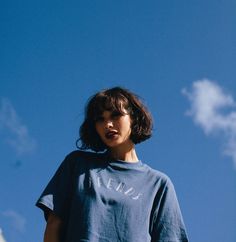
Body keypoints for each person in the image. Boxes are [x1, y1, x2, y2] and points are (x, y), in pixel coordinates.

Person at [36, 87, 189, 242]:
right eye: (100, 119)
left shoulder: (158, 184)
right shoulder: (77, 164)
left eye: (116, 115)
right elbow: (54, 224)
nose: (108, 124)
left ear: (133, 118)